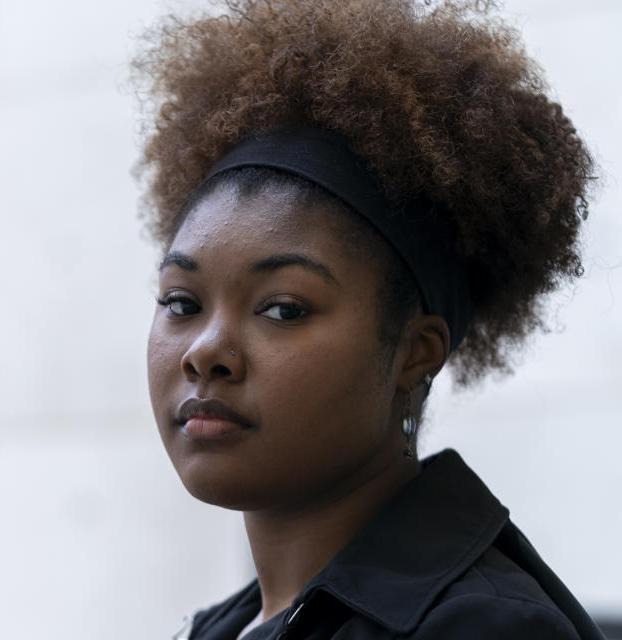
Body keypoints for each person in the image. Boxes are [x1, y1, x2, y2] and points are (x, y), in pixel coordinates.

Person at [133, 1, 605, 638]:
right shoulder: (230, 627)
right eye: (182, 304)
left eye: (283, 308)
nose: (206, 351)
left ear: (416, 352)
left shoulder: (481, 626)